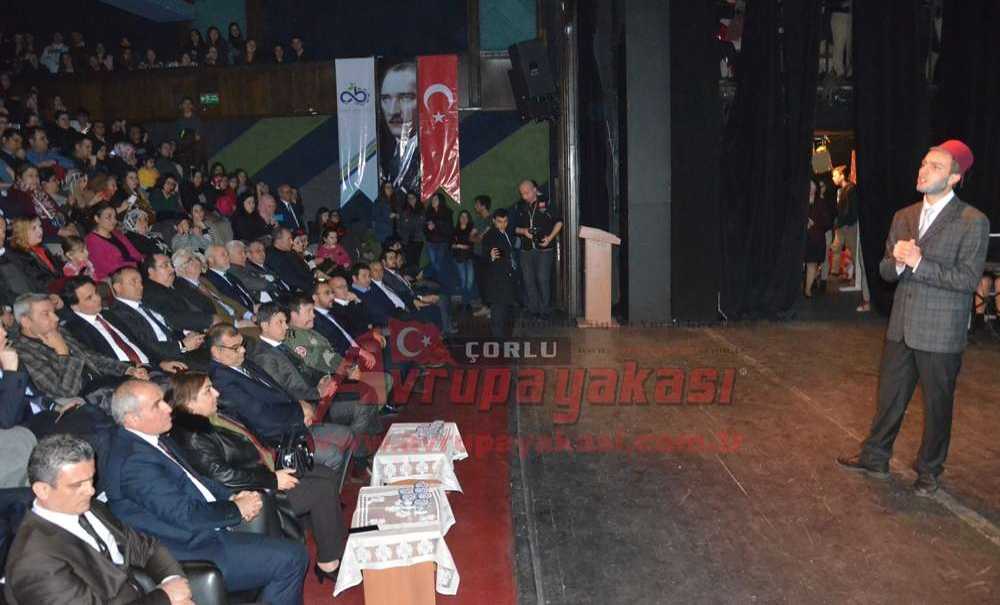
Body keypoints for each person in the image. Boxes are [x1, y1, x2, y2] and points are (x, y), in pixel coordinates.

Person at [837, 140, 990, 497]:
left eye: (935, 166)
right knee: (889, 398)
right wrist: (900, 263)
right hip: (902, 326)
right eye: (923, 163)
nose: (923, 170)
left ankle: (930, 471)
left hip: (940, 332)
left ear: (954, 177)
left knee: (937, 407)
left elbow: (968, 280)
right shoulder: (903, 216)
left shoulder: (972, 221)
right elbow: (886, 272)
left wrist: (920, 263)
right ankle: (875, 457)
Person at [101, 380, 309, 604]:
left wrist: (230, 496)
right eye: (157, 405)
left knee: (276, 534)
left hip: (205, 525)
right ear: (133, 419)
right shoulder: (134, 462)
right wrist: (236, 509)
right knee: (293, 557)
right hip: (189, 548)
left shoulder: (152, 438)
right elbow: (185, 514)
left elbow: (199, 480)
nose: (168, 408)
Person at [167, 372, 345, 582]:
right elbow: (223, 476)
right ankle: (328, 561)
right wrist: (272, 479)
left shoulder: (215, 413)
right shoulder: (193, 435)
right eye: (208, 390)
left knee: (325, 473)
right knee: (320, 490)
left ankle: (328, 537)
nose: (216, 392)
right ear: (189, 402)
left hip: (265, 469)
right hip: (256, 489)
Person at [4, 434, 193, 605]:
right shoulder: (35, 562)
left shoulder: (90, 508)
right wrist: (165, 598)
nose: (91, 490)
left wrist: (172, 581)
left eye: (91, 479)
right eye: (77, 485)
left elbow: (145, 547)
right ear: (42, 490)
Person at [207, 324, 354, 476]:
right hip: (278, 441)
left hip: (291, 424)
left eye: (242, 345)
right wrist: (299, 412)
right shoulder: (221, 382)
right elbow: (261, 418)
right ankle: (318, 496)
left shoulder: (242, 363)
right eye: (236, 347)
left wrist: (301, 406)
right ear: (217, 351)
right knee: (333, 455)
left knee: (347, 435)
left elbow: (277, 390)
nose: (243, 350)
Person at [513, 179, 562, 318]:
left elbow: (559, 222)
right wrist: (523, 231)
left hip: (544, 248)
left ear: (535, 189)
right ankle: (533, 308)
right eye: (522, 193)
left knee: (542, 278)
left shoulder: (546, 202)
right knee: (528, 279)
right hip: (526, 249)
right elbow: (512, 228)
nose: (524, 196)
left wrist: (550, 238)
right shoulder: (519, 206)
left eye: (527, 193)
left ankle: (545, 309)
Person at [379, 62, 420, 194]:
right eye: (386, 99)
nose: (393, 110)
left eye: (405, 98)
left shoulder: (429, 154)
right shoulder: (380, 155)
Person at [85, 202, 145, 281]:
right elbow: (108, 268)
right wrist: (135, 265)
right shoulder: (91, 241)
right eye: (108, 217)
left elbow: (133, 252)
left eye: (114, 217)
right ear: (97, 219)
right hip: (117, 279)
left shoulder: (117, 233)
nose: (114, 221)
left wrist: (143, 260)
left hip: (133, 270)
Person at [482, 208, 518, 337]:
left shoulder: (506, 232)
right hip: (497, 280)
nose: (503, 224)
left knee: (504, 310)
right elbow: (487, 251)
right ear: (494, 221)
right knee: (498, 311)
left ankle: (502, 338)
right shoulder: (491, 235)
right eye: (499, 221)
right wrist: (490, 254)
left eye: (505, 221)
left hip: (506, 277)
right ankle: (499, 341)